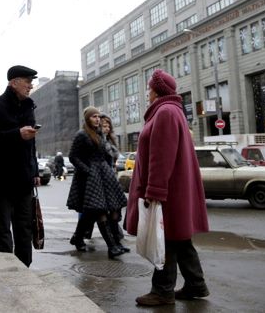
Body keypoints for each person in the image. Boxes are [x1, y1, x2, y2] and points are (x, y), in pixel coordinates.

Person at [125, 69, 209, 306]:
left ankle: (162, 290)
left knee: (167, 238)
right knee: (180, 238)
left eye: (149, 88)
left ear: (156, 90)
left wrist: (154, 191)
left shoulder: (164, 112)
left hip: (169, 191)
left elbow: (161, 157)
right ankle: (196, 284)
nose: (147, 92)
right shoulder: (172, 111)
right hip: (175, 189)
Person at [0, 65, 41, 267]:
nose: (30, 86)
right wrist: (17, 134)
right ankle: (6, 269)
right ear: (13, 82)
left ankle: (24, 268)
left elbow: (31, 145)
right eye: (27, 81)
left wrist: (35, 171)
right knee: (2, 228)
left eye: (31, 82)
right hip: (0, 181)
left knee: (24, 228)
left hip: (24, 180)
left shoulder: (29, 106)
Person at [66, 107, 127, 259]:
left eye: (98, 116)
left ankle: (78, 238)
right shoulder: (81, 134)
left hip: (104, 174)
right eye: (94, 116)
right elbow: (73, 156)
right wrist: (87, 170)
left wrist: (109, 168)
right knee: (98, 210)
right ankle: (112, 247)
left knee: (104, 208)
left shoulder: (100, 134)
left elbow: (105, 154)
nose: (97, 119)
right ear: (87, 118)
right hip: (90, 177)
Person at [99, 114, 130, 253]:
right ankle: (113, 245)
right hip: (101, 179)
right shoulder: (97, 139)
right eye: (103, 125)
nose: (106, 128)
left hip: (111, 178)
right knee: (103, 212)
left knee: (116, 211)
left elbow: (116, 156)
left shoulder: (110, 139)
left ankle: (116, 243)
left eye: (108, 126)